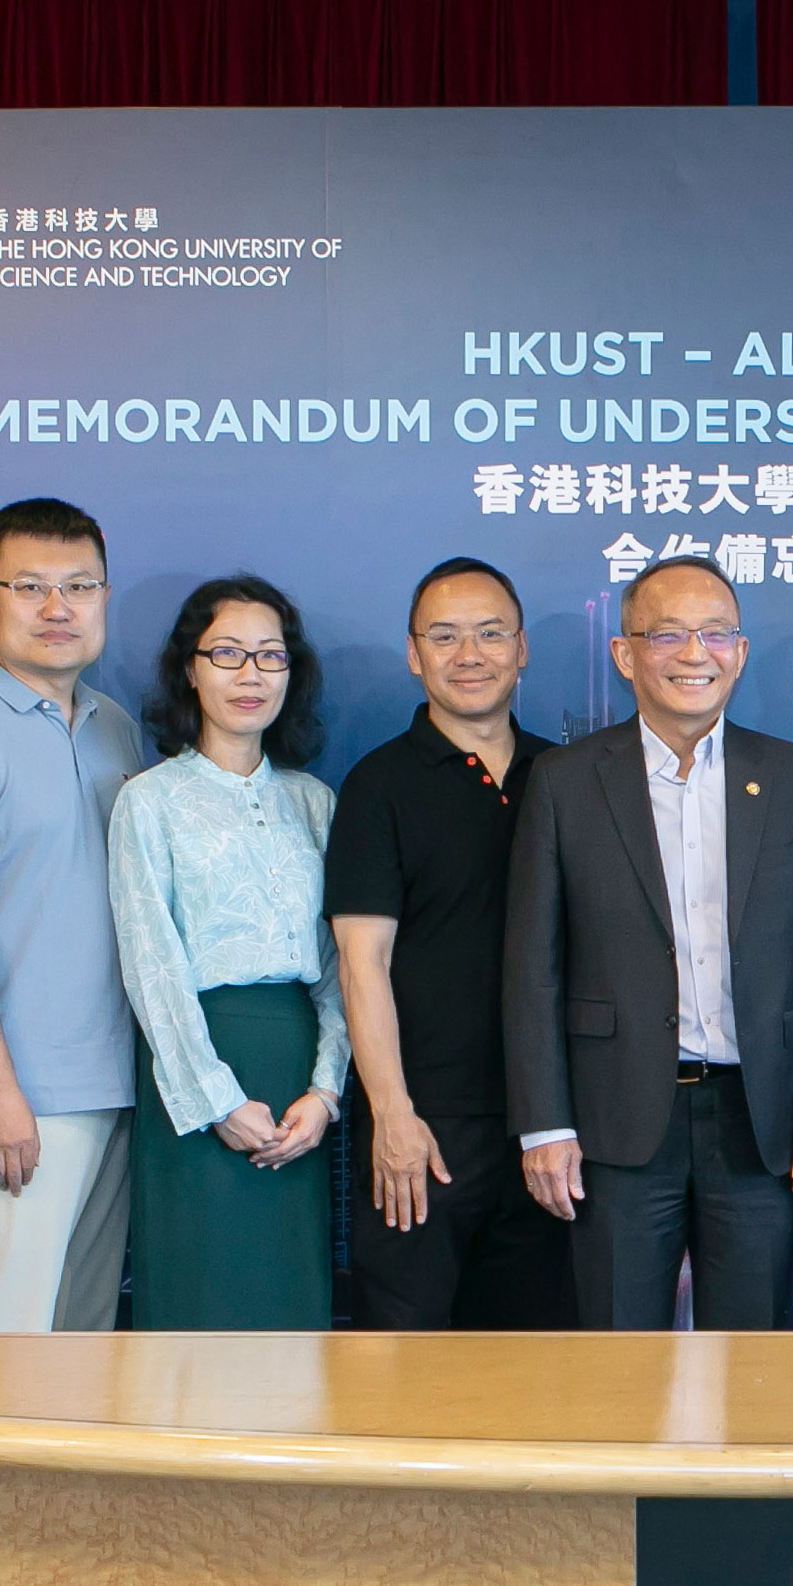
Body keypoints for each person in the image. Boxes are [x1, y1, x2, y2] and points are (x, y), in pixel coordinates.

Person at [507, 556, 793, 1328]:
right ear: (626, 653)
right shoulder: (566, 781)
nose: (695, 654)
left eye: (716, 633)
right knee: (618, 1359)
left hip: (757, 1117)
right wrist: (546, 1122)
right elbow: (533, 964)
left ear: (739, 648)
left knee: (750, 1360)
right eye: (668, 634)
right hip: (616, 1118)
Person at [0, 497, 151, 1332]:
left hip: (109, 1089)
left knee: (78, 1357)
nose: (58, 609)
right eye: (31, 586)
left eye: (79, 587)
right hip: (9, 1103)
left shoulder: (116, 728)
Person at [327, 559, 576, 1329]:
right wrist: (393, 1114)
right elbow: (361, 964)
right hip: (425, 1127)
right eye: (445, 636)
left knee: (536, 1367)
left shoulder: (568, 777)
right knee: (404, 1361)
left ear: (522, 647)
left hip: (548, 1124)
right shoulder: (379, 786)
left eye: (490, 633)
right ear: (414, 653)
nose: (470, 654)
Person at [113, 576, 346, 1327]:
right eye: (227, 654)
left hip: (297, 1079)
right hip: (198, 1076)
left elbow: (342, 965)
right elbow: (152, 964)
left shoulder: (314, 801)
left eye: (269, 656)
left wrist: (326, 1090)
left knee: (291, 1302)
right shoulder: (149, 800)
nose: (250, 675)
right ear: (190, 667)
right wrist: (216, 1099)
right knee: (200, 1295)